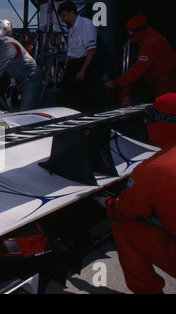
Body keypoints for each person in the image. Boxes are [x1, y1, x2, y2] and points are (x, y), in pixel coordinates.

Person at [95, 93, 176, 294]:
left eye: (149, 116)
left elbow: (127, 210)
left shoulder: (153, 170)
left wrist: (107, 204)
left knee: (124, 228)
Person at [104, 16, 176, 101]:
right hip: (157, 82)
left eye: (131, 32)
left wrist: (115, 82)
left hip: (165, 83)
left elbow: (137, 70)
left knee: (164, 108)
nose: (130, 36)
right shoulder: (149, 37)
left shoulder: (150, 43)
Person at [58, 1, 98, 112]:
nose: (62, 19)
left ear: (71, 13)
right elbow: (70, 53)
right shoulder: (71, 29)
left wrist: (83, 70)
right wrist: (65, 71)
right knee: (67, 98)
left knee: (83, 100)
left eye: (63, 16)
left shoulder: (86, 24)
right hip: (72, 64)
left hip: (83, 63)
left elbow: (92, 49)